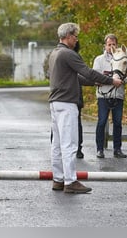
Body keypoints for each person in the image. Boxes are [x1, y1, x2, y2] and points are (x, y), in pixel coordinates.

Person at [48, 23, 122, 193]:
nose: (76, 39)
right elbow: (87, 72)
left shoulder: (55, 53)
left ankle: (58, 179)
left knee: (57, 145)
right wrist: (111, 81)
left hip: (55, 102)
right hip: (67, 103)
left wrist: (96, 82)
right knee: (69, 144)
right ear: (67, 36)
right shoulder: (69, 53)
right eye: (75, 36)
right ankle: (71, 181)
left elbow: (76, 78)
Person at [93, 34, 127, 159]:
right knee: (102, 122)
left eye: (114, 44)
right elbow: (95, 77)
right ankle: (99, 149)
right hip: (103, 95)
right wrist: (111, 80)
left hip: (117, 95)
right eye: (109, 44)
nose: (111, 47)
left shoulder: (122, 58)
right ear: (105, 46)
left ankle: (117, 149)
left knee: (118, 123)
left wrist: (120, 80)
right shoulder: (99, 60)